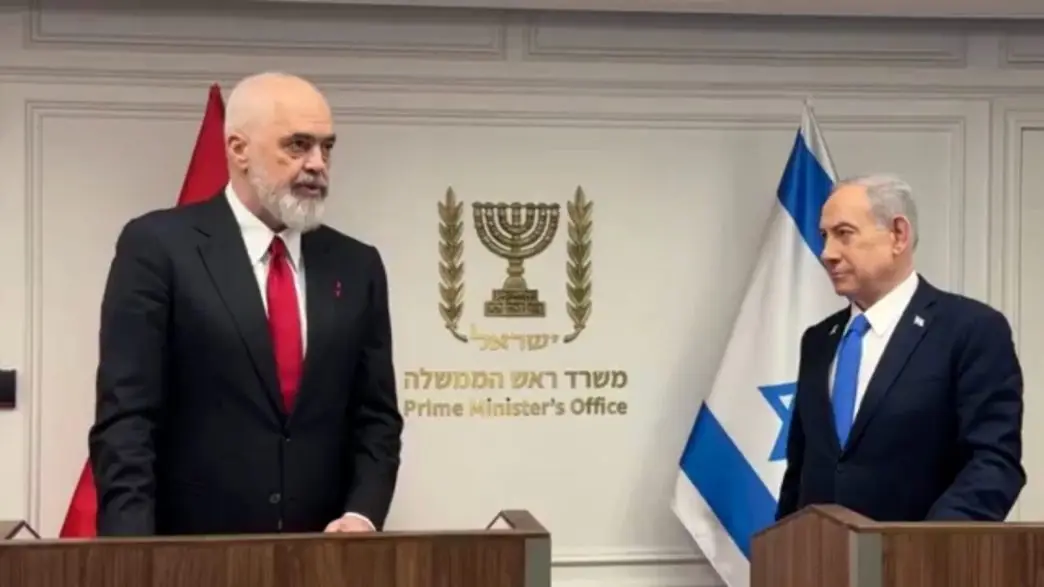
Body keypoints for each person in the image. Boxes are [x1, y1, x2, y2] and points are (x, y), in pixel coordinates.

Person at [88, 72, 404, 536]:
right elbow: (127, 419)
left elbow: (376, 418)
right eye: (298, 146)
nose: (317, 164)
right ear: (238, 149)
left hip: (323, 554)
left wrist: (362, 514)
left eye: (327, 147)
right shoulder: (159, 248)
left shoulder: (357, 265)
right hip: (190, 554)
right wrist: (133, 553)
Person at [776, 174, 1025, 523]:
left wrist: (929, 544)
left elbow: (993, 462)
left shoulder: (970, 329)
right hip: (819, 554)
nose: (827, 253)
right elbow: (800, 472)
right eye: (824, 236)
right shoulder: (819, 341)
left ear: (898, 235)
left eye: (844, 234)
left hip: (925, 554)